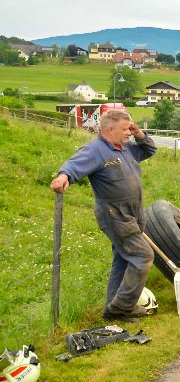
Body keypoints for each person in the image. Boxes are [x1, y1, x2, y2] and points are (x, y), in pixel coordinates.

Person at [50, 110, 157, 320]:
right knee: (143, 255)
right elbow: (73, 165)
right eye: (125, 129)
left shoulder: (126, 148)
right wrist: (63, 177)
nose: (129, 133)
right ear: (110, 128)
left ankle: (112, 309)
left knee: (123, 259)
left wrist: (138, 132)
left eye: (130, 129)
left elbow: (150, 149)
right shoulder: (95, 149)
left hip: (133, 213)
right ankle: (123, 306)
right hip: (115, 215)